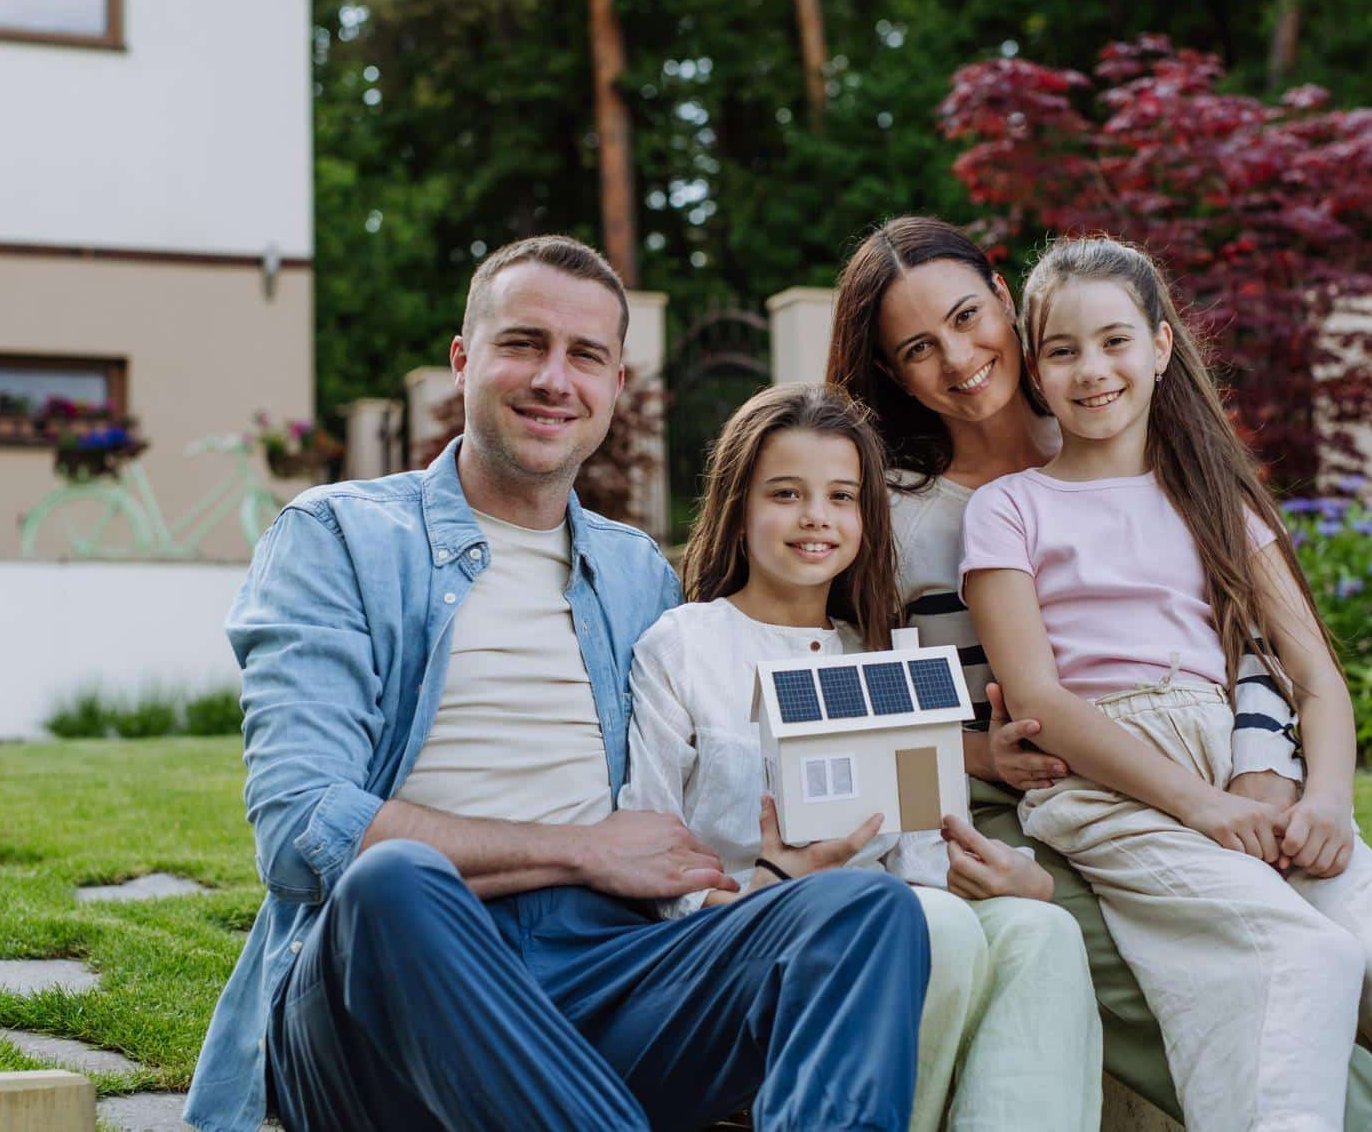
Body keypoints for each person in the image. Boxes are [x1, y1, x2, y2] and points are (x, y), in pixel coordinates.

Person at [183, 236, 930, 1132]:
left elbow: (733, 724)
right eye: (523, 344)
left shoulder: (636, 573)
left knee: (862, 912)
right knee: (392, 882)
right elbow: (302, 828)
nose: (553, 378)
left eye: (585, 356)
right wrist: (580, 850)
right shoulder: (338, 538)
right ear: (464, 361)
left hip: (603, 967)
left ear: (616, 384)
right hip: (396, 970)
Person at [959, 234, 1372, 1132]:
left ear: (1160, 345)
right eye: (1062, 350)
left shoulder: (1217, 498)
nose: (1092, 369)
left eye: (1114, 341)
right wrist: (1202, 806)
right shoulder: (1012, 508)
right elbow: (1040, 700)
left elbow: (1316, 680)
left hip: (1247, 771)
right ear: (1035, 367)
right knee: (1300, 953)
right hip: (1116, 787)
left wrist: (1329, 801)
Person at [826, 215, 1372, 1131]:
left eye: (968, 316)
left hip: (1191, 766)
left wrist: (1259, 770)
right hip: (1012, 796)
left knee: (1274, 939)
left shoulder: (1124, 434)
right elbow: (837, 682)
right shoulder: (896, 511)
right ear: (890, 372)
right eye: (918, 348)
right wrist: (977, 752)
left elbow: (1248, 641)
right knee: (1108, 954)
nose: (958, 358)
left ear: (1008, 299)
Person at [622, 382, 1102, 1132]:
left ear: (865, 519)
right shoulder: (683, 647)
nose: (817, 516)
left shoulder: (877, 661)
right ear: (739, 505)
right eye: (787, 492)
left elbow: (921, 854)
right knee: (923, 924)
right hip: (739, 942)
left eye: (841, 496)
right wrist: (768, 887)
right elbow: (648, 856)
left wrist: (1022, 877)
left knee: (1045, 931)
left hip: (895, 920)